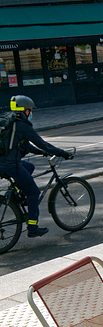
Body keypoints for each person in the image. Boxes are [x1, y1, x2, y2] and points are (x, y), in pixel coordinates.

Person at [0, 95, 72, 238]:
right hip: (11, 165)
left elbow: (26, 146)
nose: (31, 113)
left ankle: (14, 195)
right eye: (30, 110)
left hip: (3, 163)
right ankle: (32, 227)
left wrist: (41, 152)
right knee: (33, 192)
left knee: (30, 167)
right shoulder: (22, 125)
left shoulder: (11, 122)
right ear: (25, 110)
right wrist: (62, 153)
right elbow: (41, 143)